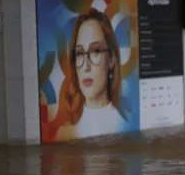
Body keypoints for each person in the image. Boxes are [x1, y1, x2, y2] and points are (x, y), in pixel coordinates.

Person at [42, 8, 129, 142]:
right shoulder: (64, 133)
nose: (86, 66)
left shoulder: (125, 128)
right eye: (80, 53)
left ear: (111, 59)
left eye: (95, 51)